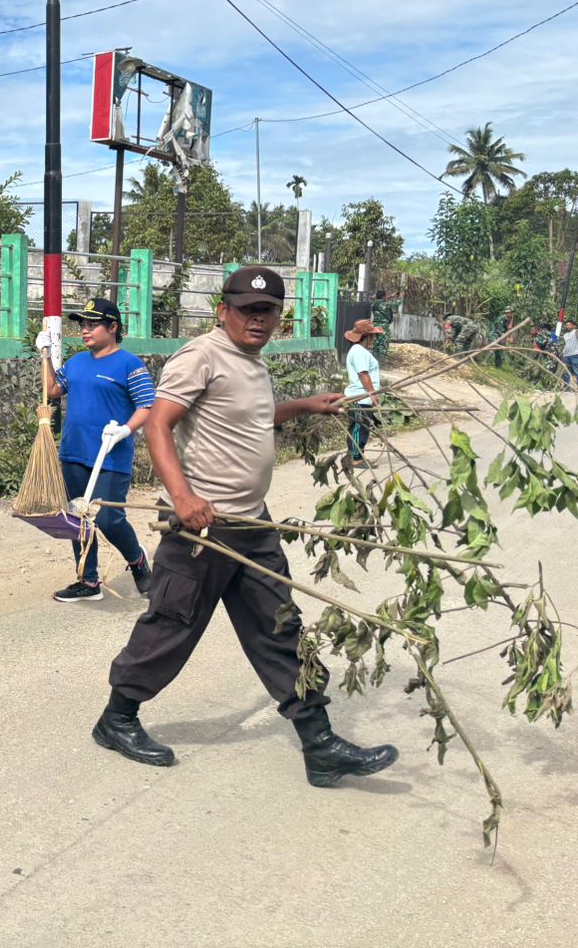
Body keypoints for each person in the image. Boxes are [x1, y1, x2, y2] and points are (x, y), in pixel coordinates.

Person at [91, 266, 400, 787]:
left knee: (280, 627)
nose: (258, 320)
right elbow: (159, 425)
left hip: (251, 521)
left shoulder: (253, 362)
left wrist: (304, 406)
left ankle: (320, 745)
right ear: (223, 311)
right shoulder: (200, 356)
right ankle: (117, 718)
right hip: (201, 527)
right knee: (172, 625)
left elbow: (247, 418)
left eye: (268, 311)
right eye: (248, 310)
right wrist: (183, 498)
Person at [42, 296, 156, 603]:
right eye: (83, 324)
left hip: (110, 457)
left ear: (113, 327)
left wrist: (126, 430)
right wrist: (45, 355)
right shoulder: (76, 362)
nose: (85, 330)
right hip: (74, 453)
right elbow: (52, 390)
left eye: (92, 325)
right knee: (78, 518)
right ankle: (88, 581)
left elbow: (147, 405)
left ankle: (137, 560)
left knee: (108, 519)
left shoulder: (129, 364)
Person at [343, 318, 384, 466]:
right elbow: (363, 374)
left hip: (362, 397)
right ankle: (355, 458)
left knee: (362, 427)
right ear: (367, 337)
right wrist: (373, 393)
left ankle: (357, 455)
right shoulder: (359, 352)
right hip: (359, 397)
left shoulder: (360, 351)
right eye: (373, 336)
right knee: (359, 427)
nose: (374, 339)